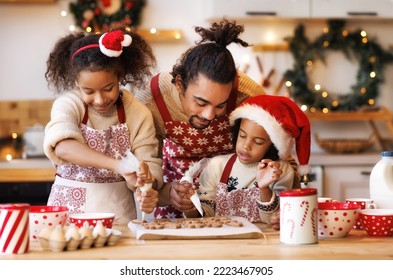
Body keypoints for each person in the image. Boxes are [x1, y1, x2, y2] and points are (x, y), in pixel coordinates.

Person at [135, 18, 300, 219]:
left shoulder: (248, 96)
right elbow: (142, 170)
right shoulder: (152, 99)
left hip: (231, 198)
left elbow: (281, 156)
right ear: (179, 84)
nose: (209, 115)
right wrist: (167, 193)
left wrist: (281, 209)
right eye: (201, 102)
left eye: (221, 105)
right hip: (175, 189)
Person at [44, 29, 162, 225]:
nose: (100, 99)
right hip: (67, 217)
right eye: (88, 91)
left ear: (120, 77)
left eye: (108, 88)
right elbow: (63, 146)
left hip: (117, 218)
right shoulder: (69, 104)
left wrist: (146, 186)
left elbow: (149, 164)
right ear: (76, 83)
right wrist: (120, 166)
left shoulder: (138, 113)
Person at [184, 95, 311, 226]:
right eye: (242, 136)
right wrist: (190, 208)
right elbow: (206, 216)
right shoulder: (216, 166)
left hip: (264, 242)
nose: (246, 146)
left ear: (273, 146)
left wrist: (264, 189)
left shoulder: (281, 171)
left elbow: (272, 219)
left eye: (258, 142)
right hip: (222, 242)